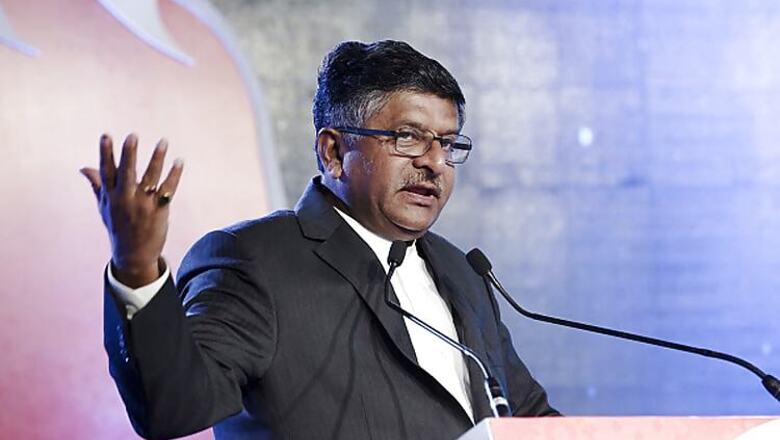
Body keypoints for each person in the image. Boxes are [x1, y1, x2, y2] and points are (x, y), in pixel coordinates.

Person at [81, 40, 558, 440]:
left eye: (448, 143)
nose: (434, 163)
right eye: (408, 137)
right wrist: (137, 267)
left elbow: (528, 418)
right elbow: (173, 408)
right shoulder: (253, 260)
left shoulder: (461, 271)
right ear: (333, 152)